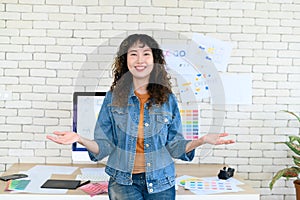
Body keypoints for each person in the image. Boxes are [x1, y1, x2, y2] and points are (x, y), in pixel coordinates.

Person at [47, 34, 235, 200]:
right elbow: (104, 145)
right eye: (133, 54)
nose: (140, 60)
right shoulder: (113, 98)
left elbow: (175, 146)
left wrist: (201, 140)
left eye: (146, 54)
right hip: (123, 182)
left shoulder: (167, 99)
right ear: (126, 60)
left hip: (162, 182)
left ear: (155, 60)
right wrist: (79, 138)